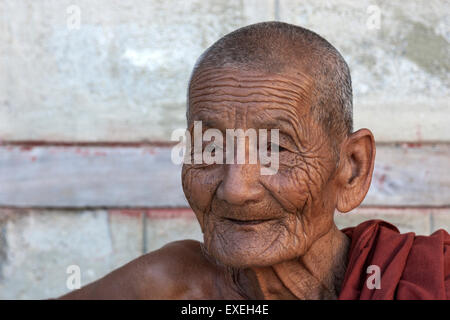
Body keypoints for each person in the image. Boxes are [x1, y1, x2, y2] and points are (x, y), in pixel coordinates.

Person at [60, 22, 450, 300]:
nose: (236, 189)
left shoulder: (430, 278)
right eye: (210, 148)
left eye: (276, 149)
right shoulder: (168, 285)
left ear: (352, 168)